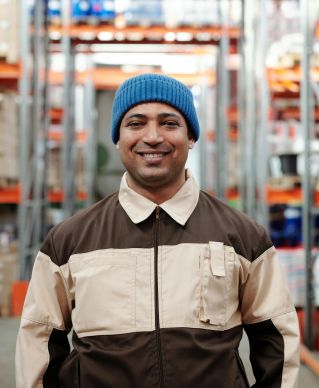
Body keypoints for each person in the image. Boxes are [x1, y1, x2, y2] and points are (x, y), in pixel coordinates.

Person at [16, 73, 300, 387]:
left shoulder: (243, 237)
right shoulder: (69, 241)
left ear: (191, 137)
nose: (152, 137)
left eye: (169, 123)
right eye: (136, 123)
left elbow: (277, 340)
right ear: (118, 137)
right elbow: (38, 341)